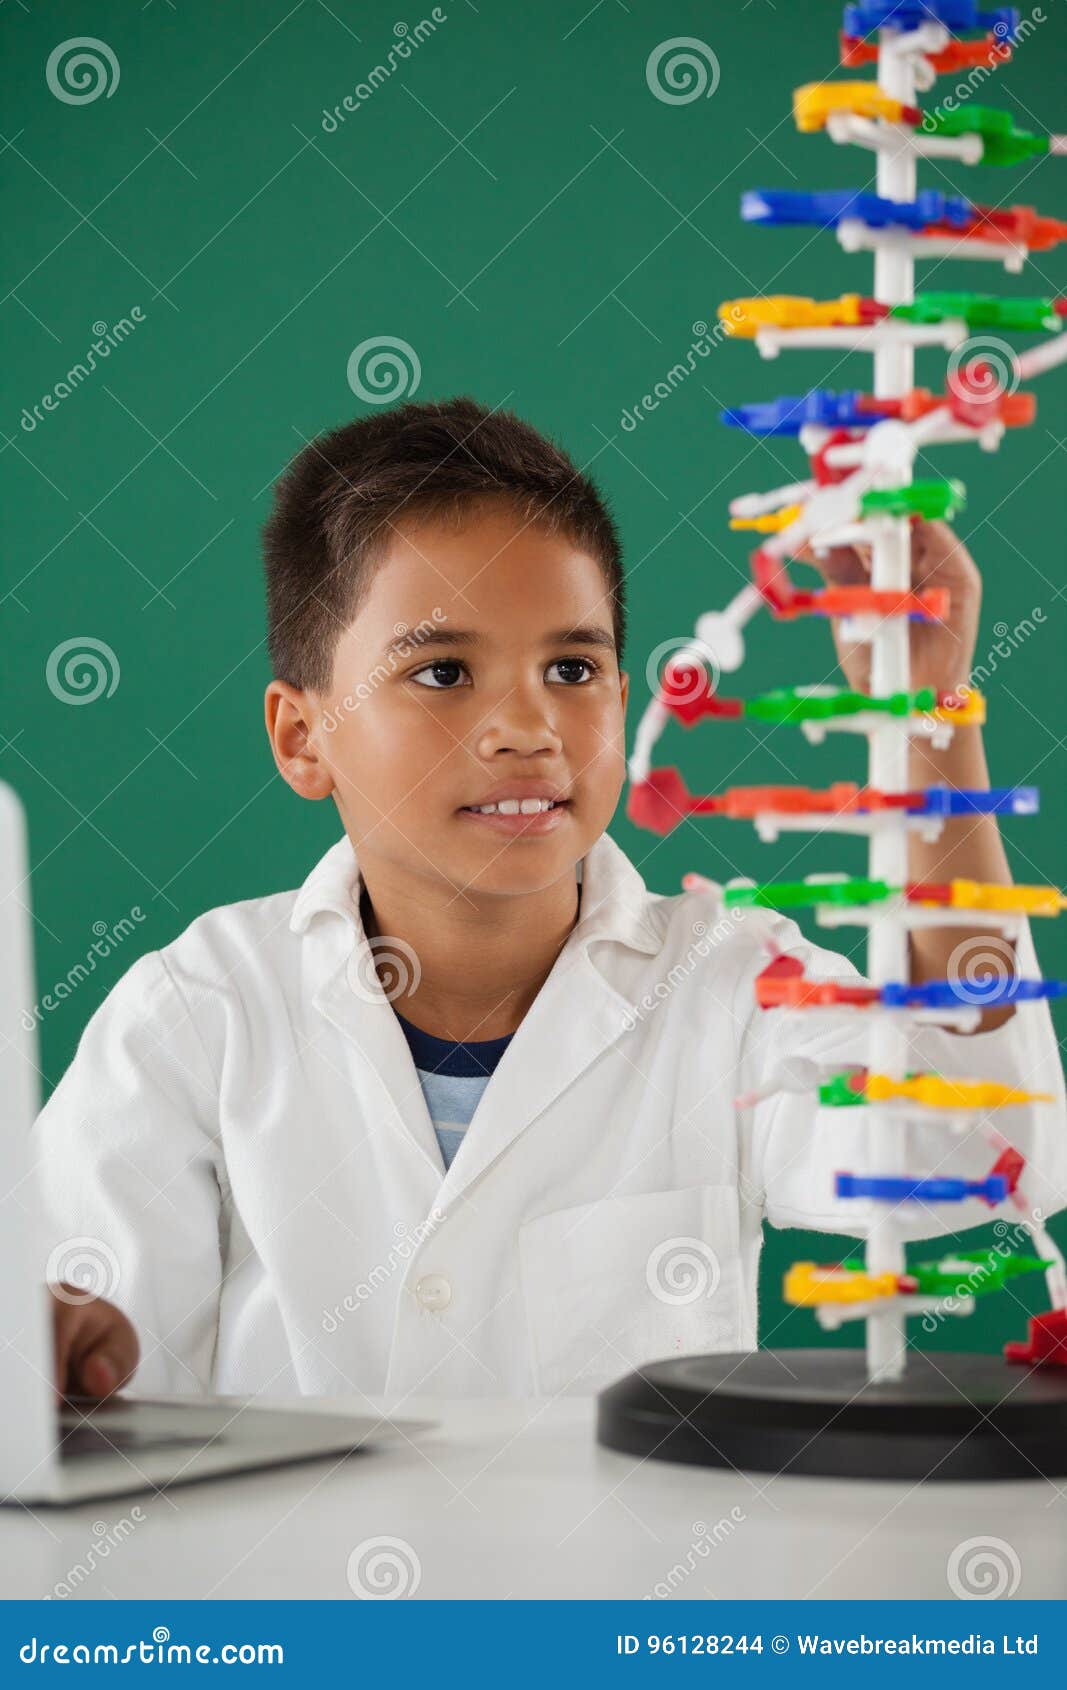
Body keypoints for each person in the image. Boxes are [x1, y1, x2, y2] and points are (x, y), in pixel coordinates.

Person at [38, 396, 1067, 1403]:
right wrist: (55, 1357)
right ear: (304, 737)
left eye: (572, 667)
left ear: (621, 699)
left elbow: (989, 1148)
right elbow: (91, 1378)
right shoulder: (197, 1017)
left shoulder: (732, 984)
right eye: (442, 672)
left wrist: (926, 710)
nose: (527, 728)